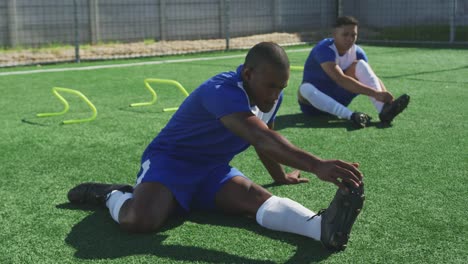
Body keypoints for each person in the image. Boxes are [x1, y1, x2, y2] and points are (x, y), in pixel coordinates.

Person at [68, 42, 364, 251]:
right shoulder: (221, 91)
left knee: (256, 198)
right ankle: (112, 194)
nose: (275, 95)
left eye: (281, 88)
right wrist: (316, 164)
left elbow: (265, 139)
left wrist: (281, 175)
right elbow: (261, 137)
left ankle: (321, 228)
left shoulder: (269, 97)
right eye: (271, 86)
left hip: (211, 170)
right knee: (139, 220)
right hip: (170, 162)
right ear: (248, 74)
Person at [298, 16, 410, 128]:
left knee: (361, 65)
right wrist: (376, 94)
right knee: (305, 88)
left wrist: (387, 101)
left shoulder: (358, 52)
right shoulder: (324, 49)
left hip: (339, 99)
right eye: (345, 35)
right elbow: (340, 79)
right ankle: (351, 116)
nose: (350, 39)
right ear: (334, 34)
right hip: (312, 107)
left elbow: (371, 78)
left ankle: (384, 111)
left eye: (353, 35)